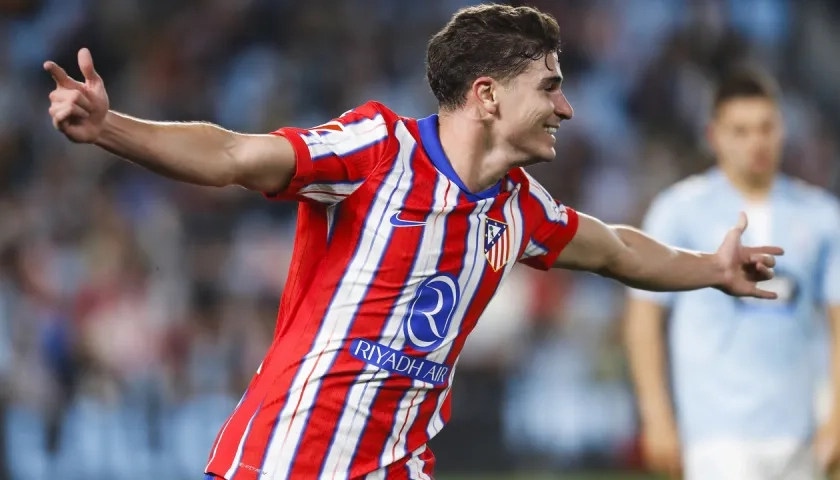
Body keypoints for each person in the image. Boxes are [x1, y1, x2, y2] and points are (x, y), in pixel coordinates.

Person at [44, 5, 782, 479]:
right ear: (489, 96)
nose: (566, 106)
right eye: (549, 87)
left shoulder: (520, 209)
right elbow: (239, 155)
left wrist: (712, 269)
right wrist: (113, 128)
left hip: (399, 466)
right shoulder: (380, 148)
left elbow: (617, 250)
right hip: (286, 460)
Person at [624, 67, 840, 480]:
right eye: (740, 130)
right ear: (714, 136)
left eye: (765, 127)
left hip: (802, 432)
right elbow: (644, 318)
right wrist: (656, 416)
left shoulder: (822, 215)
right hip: (716, 436)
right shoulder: (679, 211)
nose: (756, 142)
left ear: (782, 129)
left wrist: (836, 418)